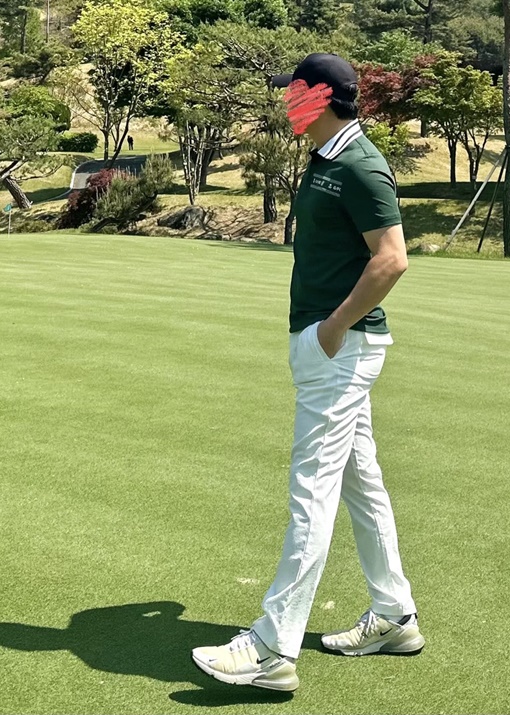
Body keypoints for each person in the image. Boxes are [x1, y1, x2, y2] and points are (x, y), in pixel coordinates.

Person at [192, 53, 422, 693]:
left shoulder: (360, 165)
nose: (284, 102)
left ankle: (272, 647)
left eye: (291, 92)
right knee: (360, 482)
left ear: (319, 96)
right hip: (330, 346)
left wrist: (333, 328)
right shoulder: (325, 158)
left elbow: (392, 259)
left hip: (339, 349)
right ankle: (394, 614)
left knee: (311, 491)